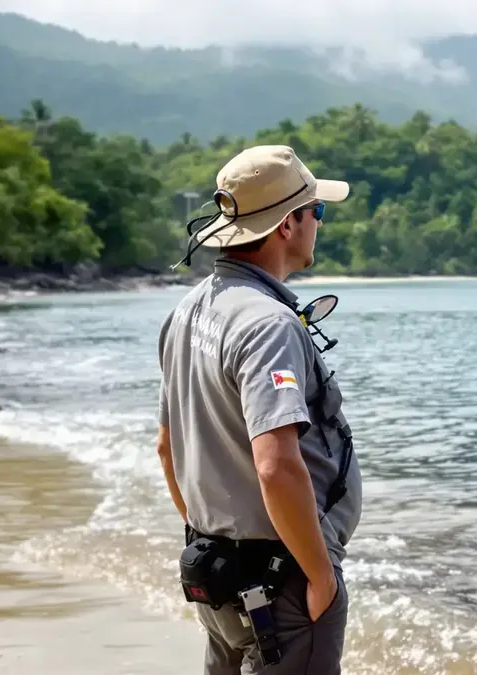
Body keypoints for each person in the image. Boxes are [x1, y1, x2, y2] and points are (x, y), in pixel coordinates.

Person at [155, 145, 362, 674]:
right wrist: (320, 578)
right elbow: (276, 464)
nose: (321, 223)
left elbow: (166, 446)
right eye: (317, 210)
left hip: (219, 572)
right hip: (279, 583)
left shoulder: (189, 310)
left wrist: (210, 535)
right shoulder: (268, 324)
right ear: (287, 225)